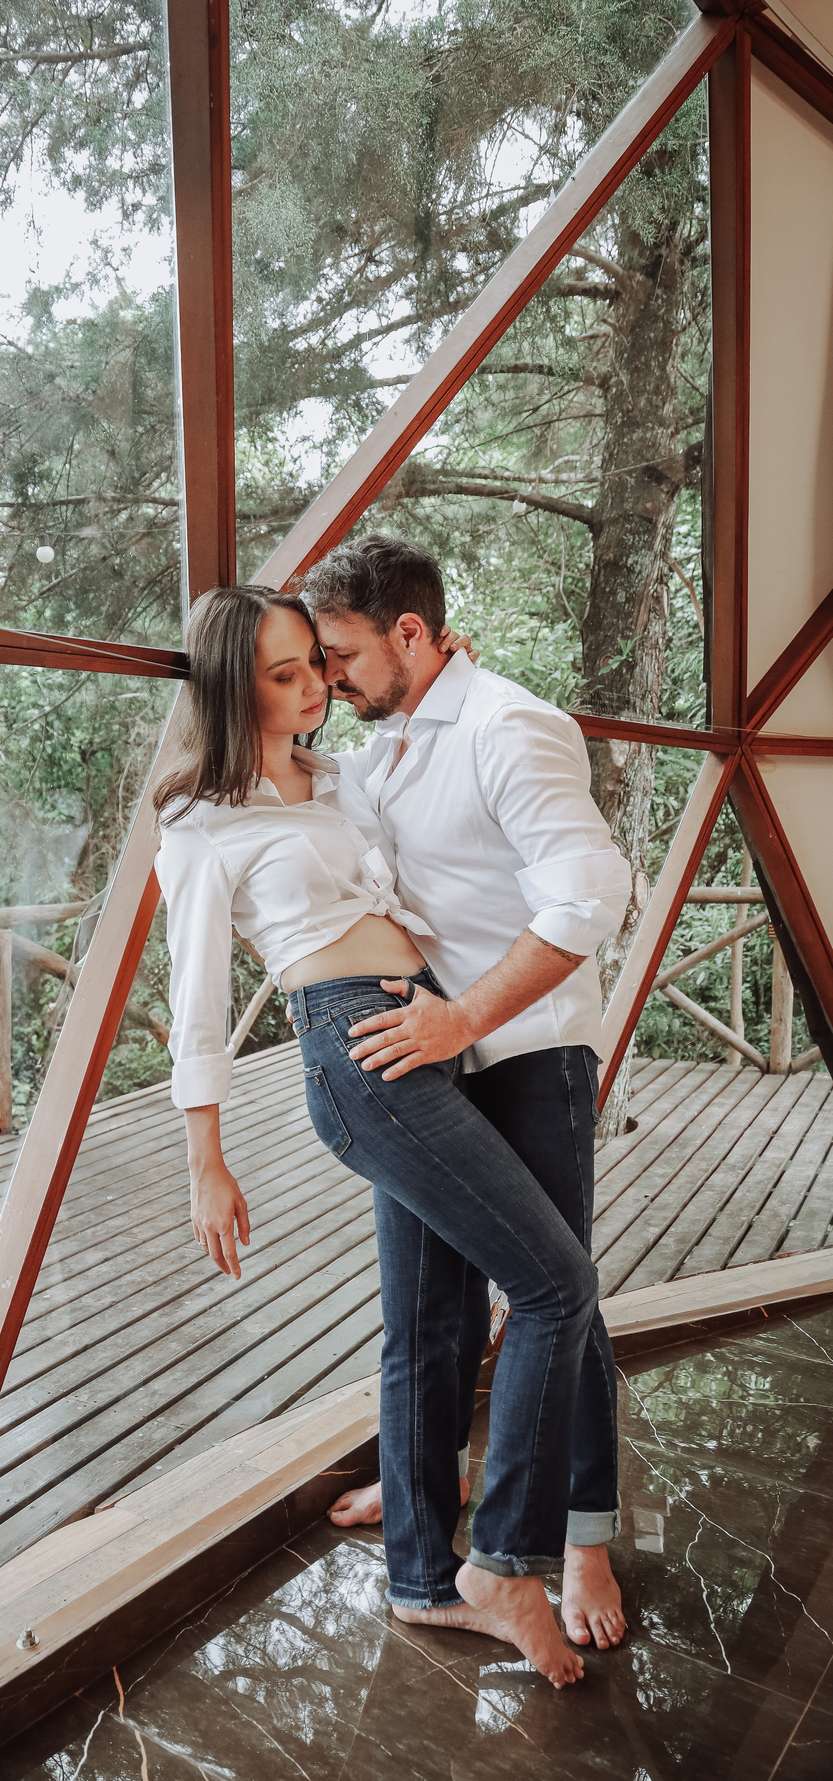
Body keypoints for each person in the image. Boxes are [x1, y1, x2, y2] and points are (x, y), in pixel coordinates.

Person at [154, 583, 603, 1690]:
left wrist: (454, 662)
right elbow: (197, 1001)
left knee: (428, 1325)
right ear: (227, 685)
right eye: (285, 673)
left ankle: (418, 1579)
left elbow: (419, 744)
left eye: (317, 662)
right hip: (354, 1049)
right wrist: (205, 1159)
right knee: (555, 1287)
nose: (315, 688)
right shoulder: (200, 824)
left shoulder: (341, 776)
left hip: (429, 1027)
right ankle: (504, 1562)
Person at [306, 534, 631, 1654]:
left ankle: (577, 1537)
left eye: (343, 652)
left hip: (526, 1051)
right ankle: (424, 1510)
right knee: (424, 1320)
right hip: (425, 1070)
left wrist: (465, 1018)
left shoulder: (510, 725)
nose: (332, 675)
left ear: (411, 633)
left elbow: (590, 900)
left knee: (560, 1298)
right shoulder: (381, 745)